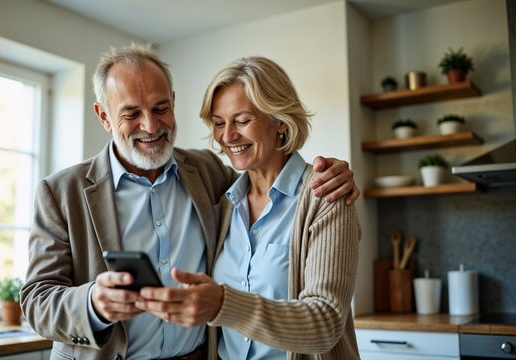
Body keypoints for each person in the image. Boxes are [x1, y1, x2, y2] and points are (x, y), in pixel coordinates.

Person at [20, 44, 359, 360]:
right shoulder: (61, 192)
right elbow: (36, 300)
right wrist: (92, 303)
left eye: (160, 108)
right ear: (104, 116)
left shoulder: (210, 177)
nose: (150, 125)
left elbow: (281, 182)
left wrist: (336, 176)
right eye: (131, 113)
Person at [136, 56, 361, 359]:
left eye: (242, 121)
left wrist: (222, 305)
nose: (228, 136)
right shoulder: (224, 200)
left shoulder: (325, 196)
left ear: (280, 120)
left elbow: (325, 323)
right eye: (219, 123)